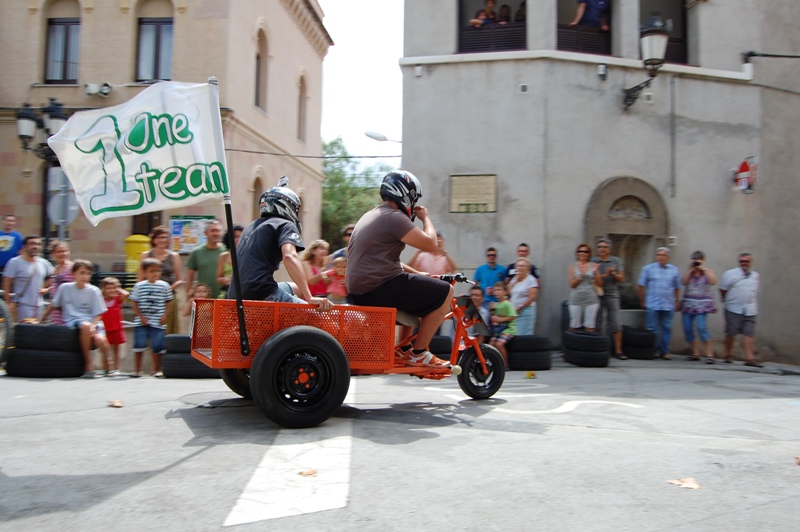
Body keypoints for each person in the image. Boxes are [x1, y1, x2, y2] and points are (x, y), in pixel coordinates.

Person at [346, 171, 453, 368]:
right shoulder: (393, 217)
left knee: (416, 292)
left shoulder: (371, 215)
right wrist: (425, 218)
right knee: (446, 291)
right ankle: (420, 352)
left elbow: (386, 261)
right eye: (413, 199)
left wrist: (418, 274)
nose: (413, 205)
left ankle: (403, 350)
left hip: (360, 290)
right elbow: (431, 245)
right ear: (405, 194)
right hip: (377, 289)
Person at [228, 179, 332, 310]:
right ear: (288, 206)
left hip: (235, 294)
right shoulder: (285, 224)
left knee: (294, 288)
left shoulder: (250, 227)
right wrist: (309, 297)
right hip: (262, 292)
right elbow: (289, 256)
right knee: (316, 316)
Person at [39, 259, 110, 378]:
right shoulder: (65, 288)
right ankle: (88, 364)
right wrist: (41, 320)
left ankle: (107, 362)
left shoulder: (94, 290)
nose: (85, 276)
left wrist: (94, 324)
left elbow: (99, 313)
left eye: (88, 274)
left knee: (100, 339)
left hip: (91, 321)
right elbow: (54, 305)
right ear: (73, 274)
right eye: (82, 273)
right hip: (74, 322)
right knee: (86, 326)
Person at [130, 258, 174, 378]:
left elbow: (169, 301)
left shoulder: (164, 286)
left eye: (158, 271)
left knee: (158, 346)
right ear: (145, 272)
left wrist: (165, 315)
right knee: (139, 345)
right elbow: (134, 302)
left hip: (158, 321)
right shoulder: (139, 286)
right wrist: (141, 317)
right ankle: (137, 370)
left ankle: (156, 370)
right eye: (152, 271)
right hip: (141, 321)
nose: (155, 273)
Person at [637, 247, 681, 360]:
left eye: (663, 255)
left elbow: (677, 287)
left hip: (668, 304)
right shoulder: (648, 269)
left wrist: (677, 301)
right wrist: (642, 300)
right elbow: (640, 285)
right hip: (652, 304)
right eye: (658, 255)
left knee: (667, 328)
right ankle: (653, 350)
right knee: (652, 329)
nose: (660, 257)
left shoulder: (674, 270)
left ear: (668, 257)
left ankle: (665, 351)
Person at [139, 225, 184, 333]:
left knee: (168, 328)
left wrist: (166, 290)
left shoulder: (173, 256)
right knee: (152, 328)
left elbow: (179, 279)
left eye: (165, 237)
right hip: (150, 295)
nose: (162, 240)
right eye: (159, 237)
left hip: (168, 296)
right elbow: (140, 278)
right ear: (154, 240)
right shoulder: (145, 255)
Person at [719, 253, 762, 367]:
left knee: (749, 334)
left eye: (746, 261)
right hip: (733, 308)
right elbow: (722, 289)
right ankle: (728, 354)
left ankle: (750, 358)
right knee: (731, 333)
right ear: (738, 262)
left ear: (750, 263)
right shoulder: (730, 274)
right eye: (742, 261)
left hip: (750, 309)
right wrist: (727, 299)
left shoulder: (755, 276)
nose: (744, 263)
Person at [2, 235, 53, 322]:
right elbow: (6, 282)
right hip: (22, 306)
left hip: (39, 306)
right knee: (23, 333)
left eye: (38, 244)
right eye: (32, 244)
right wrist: (8, 302)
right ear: (25, 246)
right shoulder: (15, 262)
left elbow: (55, 277)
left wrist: (45, 288)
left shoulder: (44, 263)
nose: (35, 247)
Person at [681, 251, 718, 364]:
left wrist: (703, 268)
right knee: (687, 328)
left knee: (702, 327)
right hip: (688, 304)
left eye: (698, 260)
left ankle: (709, 354)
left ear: (703, 260)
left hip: (702, 305)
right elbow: (684, 282)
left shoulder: (708, 271)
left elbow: (713, 281)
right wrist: (691, 269)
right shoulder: (690, 272)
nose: (696, 261)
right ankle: (695, 352)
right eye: (694, 259)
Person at [592, 238, 626, 359]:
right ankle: (596, 350)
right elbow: (590, 280)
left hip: (612, 294)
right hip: (596, 294)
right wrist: (603, 275)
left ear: (610, 249)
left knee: (616, 323)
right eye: (600, 247)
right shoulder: (593, 261)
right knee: (596, 322)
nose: (602, 249)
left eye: (605, 247)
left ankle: (618, 351)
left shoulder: (616, 261)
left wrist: (613, 273)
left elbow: (622, 279)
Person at [186, 219, 226, 299]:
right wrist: (189, 294)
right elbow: (190, 276)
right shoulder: (196, 252)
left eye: (218, 231)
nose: (216, 233)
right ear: (205, 233)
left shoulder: (226, 251)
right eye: (213, 231)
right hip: (204, 297)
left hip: (223, 296)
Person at [568, 243, 601, 331]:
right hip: (576, 298)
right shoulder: (573, 266)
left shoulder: (593, 265)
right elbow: (572, 284)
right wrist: (580, 276)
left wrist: (595, 272)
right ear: (577, 253)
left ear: (589, 254)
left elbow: (600, 283)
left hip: (591, 298)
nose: (582, 253)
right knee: (574, 325)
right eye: (580, 251)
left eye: (585, 251)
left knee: (590, 325)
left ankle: (587, 343)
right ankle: (572, 344)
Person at [100, 277, 129, 376]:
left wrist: (118, 289)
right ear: (103, 289)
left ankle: (116, 369)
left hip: (116, 329)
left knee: (116, 350)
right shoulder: (101, 301)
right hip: (105, 330)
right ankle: (106, 369)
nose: (111, 290)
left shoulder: (117, 300)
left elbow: (126, 294)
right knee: (105, 351)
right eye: (108, 288)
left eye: (114, 288)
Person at [47, 240, 75, 325]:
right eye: (59, 252)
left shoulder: (72, 268)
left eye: (65, 251)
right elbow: (56, 288)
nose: (63, 254)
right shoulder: (55, 270)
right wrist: (47, 289)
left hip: (69, 311)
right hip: (56, 312)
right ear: (53, 254)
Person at [489, 281, 516, 368]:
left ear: (505, 292)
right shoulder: (496, 304)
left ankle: (505, 364)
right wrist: (492, 311)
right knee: (491, 344)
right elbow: (494, 319)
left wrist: (501, 319)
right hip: (499, 329)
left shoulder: (507, 304)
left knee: (499, 344)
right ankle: (493, 362)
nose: (497, 292)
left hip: (508, 329)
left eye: (499, 290)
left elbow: (513, 316)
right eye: (495, 290)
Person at [508, 257, 538, 335]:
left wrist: (520, 306)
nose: (520, 268)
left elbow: (533, 297)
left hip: (525, 312)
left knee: (523, 335)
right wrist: (514, 283)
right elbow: (509, 291)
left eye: (522, 266)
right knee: (515, 334)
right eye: (518, 266)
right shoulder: (515, 278)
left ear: (528, 268)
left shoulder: (531, 280)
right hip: (514, 312)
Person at [216, 224, 244, 298]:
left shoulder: (249, 255)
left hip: (243, 293)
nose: (238, 239)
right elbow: (218, 279)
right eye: (235, 237)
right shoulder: (223, 256)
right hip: (226, 293)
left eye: (240, 236)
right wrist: (226, 280)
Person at [0, 214, 24, 278]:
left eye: (12, 221)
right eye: (8, 220)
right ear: (3, 221)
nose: (10, 223)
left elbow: (21, 251)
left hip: (11, 267)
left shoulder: (18, 236)